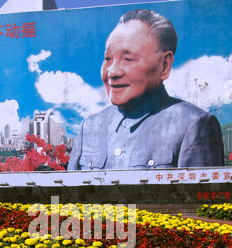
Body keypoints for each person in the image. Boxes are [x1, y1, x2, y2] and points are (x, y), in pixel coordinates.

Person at [67, 9, 224, 171]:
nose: (112, 72)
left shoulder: (193, 124)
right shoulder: (90, 127)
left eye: (128, 59)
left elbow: (202, 195)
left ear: (165, 65)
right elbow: (69, 194)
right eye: (108, 58)